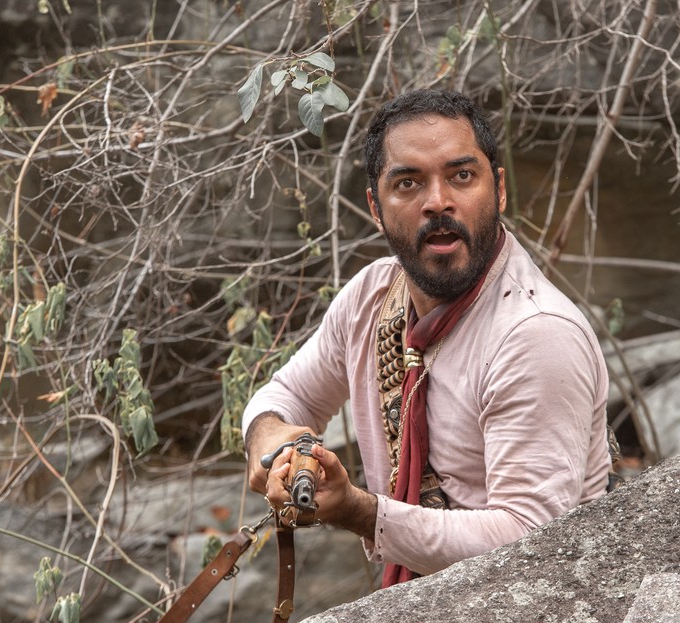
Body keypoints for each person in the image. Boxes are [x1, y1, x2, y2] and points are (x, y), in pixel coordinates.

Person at [243, 88, 611, 587]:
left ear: (498, 190)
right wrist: (269, 437)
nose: (438, 202)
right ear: (376, 206)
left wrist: (361, 512)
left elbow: (531, 539)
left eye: (462, 176)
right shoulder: (370, 298)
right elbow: (286, 395)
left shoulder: (536, 334)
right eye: (409, 182)